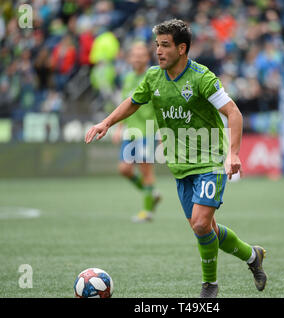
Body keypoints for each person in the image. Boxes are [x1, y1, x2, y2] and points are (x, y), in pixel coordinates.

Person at [85, 19, 267, 298]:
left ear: (182, 48)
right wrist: (106, 123)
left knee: (200, 224)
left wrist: (232, 153)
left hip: (210, 160)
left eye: (165, 45)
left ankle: (210, 286)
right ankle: (252, 256)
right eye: (157, 45)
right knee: (206, 230)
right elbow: (133, 101)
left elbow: (234, 112)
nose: (158, 51)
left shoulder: (202, 77)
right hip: (180, 167)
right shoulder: (153, 77)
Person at [111, 42, 161, 223]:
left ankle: (147, 212)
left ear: (147, 58)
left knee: (146, 171)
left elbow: (159, 105)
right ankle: (152, 193)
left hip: (147, 130)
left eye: (141, 54)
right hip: (130, 131)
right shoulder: (128, 78)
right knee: (124, 169)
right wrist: (119, 128)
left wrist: (162, 131)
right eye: (135, 54)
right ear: (130, 58)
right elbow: (125, 105)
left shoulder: (153, 76)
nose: (138, 57)